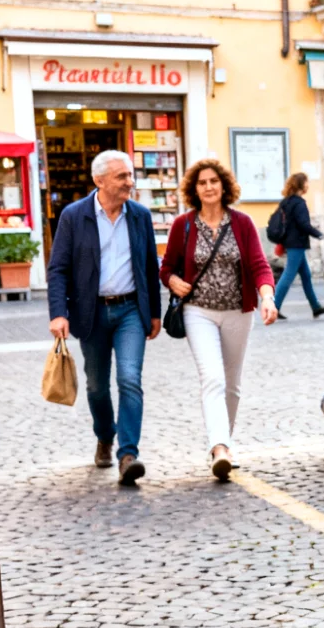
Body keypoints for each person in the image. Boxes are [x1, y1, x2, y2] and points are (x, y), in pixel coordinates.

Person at [45, 149, 162, 486]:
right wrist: (58, 313)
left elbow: (149, 266)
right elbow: (58, 270)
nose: (130, 182)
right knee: (97, 387)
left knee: (129, 378)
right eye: (122, 176)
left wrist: (152, 312)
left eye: (130, 175)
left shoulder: (139, 215)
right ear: (99, 181)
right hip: (90, 312)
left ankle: (128, 454)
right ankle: (104, 436)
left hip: (129, 311)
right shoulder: (73, 216)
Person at [159, 159, 277, 481]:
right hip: (198, 312)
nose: (209, 187)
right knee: (213, 378)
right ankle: (220, 448)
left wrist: (267, 297)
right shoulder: (183, 225)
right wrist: (171, 281)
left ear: (224, 185)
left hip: (239, 312)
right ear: (194, 190)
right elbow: (166, 267)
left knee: (232, 385)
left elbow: (258, 265)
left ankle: (225, 440)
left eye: (214, 181)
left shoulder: (242, 223)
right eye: (202, 183)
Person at [270, 172, 324, 318]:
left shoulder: (287, 201)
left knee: (306, 275)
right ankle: (273, 307)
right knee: (288, 275)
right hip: (296, 243)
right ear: (301, 185)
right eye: (307, 182)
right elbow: (303, 224)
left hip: (290, 242)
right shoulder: (299, 203)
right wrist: (318, 234)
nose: (308, 185)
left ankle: (315, 307)